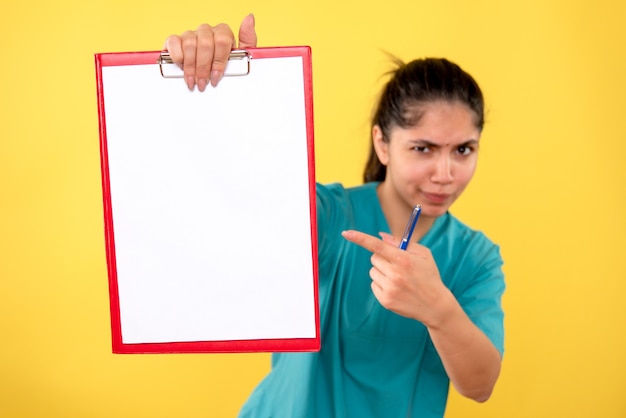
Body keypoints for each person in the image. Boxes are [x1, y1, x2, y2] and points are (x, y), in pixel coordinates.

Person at [165, 14, 505, 418]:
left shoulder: (476, 258)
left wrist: (438, 308)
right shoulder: (331, 215)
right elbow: (252, 197)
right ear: (382, 143)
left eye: (463, 150)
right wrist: (238, 95)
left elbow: (480, 385)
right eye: (423, 149)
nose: (445, 174)